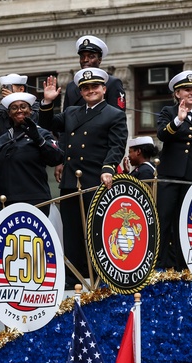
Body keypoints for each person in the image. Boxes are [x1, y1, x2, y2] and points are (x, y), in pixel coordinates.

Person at [38, 67, 127, 288]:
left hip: (95, 181)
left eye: (95, 86)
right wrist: (47, 102)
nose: (90, 90)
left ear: (104, 89)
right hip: (71, 181)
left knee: (96, 232)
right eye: (86, 88)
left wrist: (108, 168)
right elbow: (47, 125)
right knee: (72, 233)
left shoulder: (114, 114)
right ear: (81, 92)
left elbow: (116, 146)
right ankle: (74, 282)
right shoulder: (71, 112)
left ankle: (100, 281)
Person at [155, 70, 192, 271]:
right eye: (187, 90)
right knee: (163, 220)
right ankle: (160, 267)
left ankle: (184, 268)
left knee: (186, 223)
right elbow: (162, 135)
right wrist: (178, 120)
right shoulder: (168, 112)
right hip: (169, 177)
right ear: (177, 93)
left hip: (191, 178)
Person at [54, 35, 126, 185]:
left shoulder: (112, 83)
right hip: (74, 161)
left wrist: (110, 164)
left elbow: (117, 123)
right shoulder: (72, 86)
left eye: (91, 56)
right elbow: (65, 129)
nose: (85, 60)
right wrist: (60, 159)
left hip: (98, 158)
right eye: (82, 56)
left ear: (99, 60)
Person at [0, 92, 64, 213]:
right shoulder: (2, 140)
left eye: (23, 107)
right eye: (14, 108)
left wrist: (38, 139)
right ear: (9, 113)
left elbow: (57, 157)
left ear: (31, 110)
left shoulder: (42, 133)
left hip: (35, 201)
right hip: (6, 202)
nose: (19, 110)